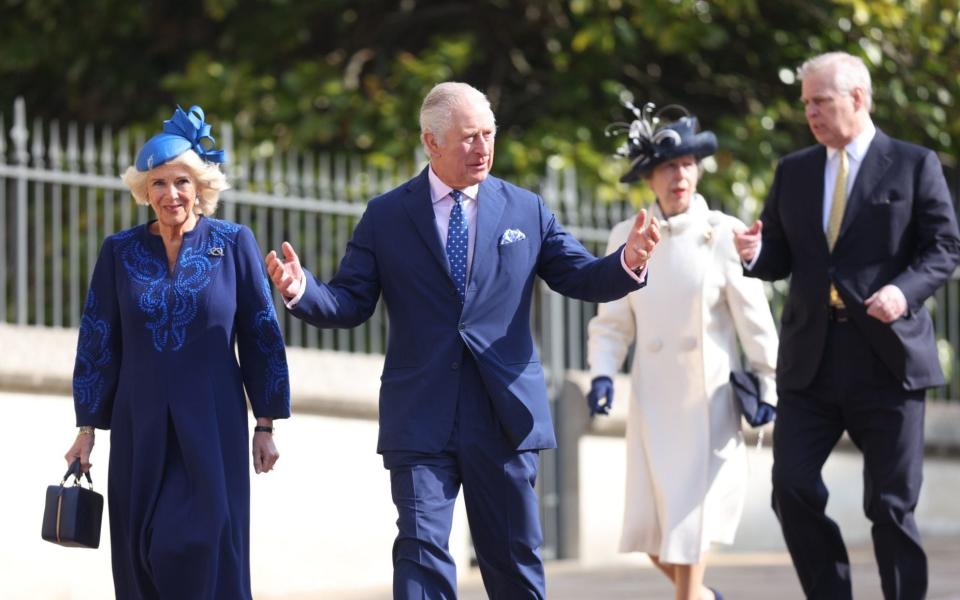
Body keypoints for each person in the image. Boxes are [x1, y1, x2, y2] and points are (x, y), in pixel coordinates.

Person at [265, 81, 660, 599]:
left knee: (513, 562)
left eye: (489, 134)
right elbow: (350, 302)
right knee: (421, 551)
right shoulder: (387, 215)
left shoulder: (525, 210)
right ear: (431, 142)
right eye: (469, 137)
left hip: (504, 414)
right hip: (421, 414)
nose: (483, 148)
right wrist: (302, 290)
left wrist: (628, 261)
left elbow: (579, 276)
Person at [734, 51, 960, 599]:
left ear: (858, 98)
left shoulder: (913, 163)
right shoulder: (795, 170)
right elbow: (780, 257)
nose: (810, 112)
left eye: (821, 101)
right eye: (806, 102)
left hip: (887, 361)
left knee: (889, 505)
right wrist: (753, 253)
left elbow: (944, 247)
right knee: (790, 488)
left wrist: (902, 293)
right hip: (811, 360)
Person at [64, 105, 291, 599]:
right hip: (137, 418)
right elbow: (99, 339)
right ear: (144, 191)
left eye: (182, 182)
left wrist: (266, 423)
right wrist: (86, 429)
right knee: (141, 543)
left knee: (203, 541)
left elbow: (260, 332)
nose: (172, 194)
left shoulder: (233, 243)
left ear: (201, 188)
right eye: (159, 183)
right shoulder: (118, 251)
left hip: (212, 417)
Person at [586, 101, 779, 600]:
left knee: (689, 526)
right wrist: (603, 373)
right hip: (653, 400)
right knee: (650, 529)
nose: (680, 175)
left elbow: (754, 317)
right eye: (668, 167)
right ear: (650, 178)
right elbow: (611, 324)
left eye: (688, 164)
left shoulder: (723, 231)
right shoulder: (623, 236)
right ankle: (703, 597)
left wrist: (770, 380)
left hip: (708, 401)